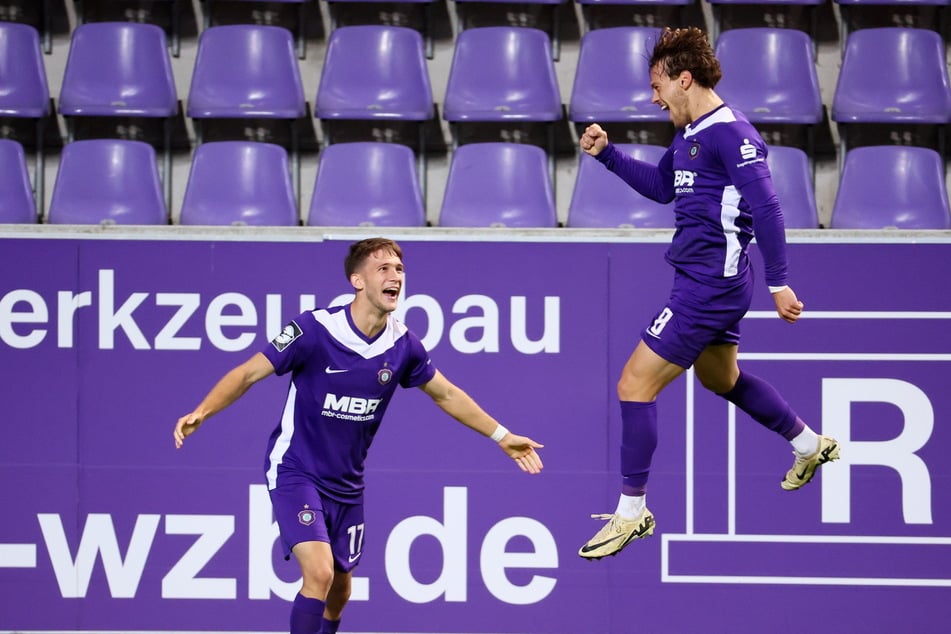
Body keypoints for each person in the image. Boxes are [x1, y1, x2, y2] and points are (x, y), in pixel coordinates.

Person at [174, 237, 544, 633]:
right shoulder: (314, 330)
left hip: (346, 485)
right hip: (295, 471)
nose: (395, 276)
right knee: (318, 574)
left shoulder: (404, 346)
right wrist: (203, 410)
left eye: (399, 269)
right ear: (357, 280)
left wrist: (501, 435)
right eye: (383, 268)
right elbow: (248, 372)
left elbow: (447, 394)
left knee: (340, 591)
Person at [577, 27, 840, 560]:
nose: (653, 97)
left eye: (657, 86)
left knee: (634, 385)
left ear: (684, 79)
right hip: (706, 281)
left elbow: (766, 207)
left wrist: (779, 280)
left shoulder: (730, 133)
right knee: (721, 378)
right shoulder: (691, 133)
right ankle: (809, 444)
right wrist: (608, 155)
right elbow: (660, 188)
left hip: (708, 287)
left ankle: (632, 513)